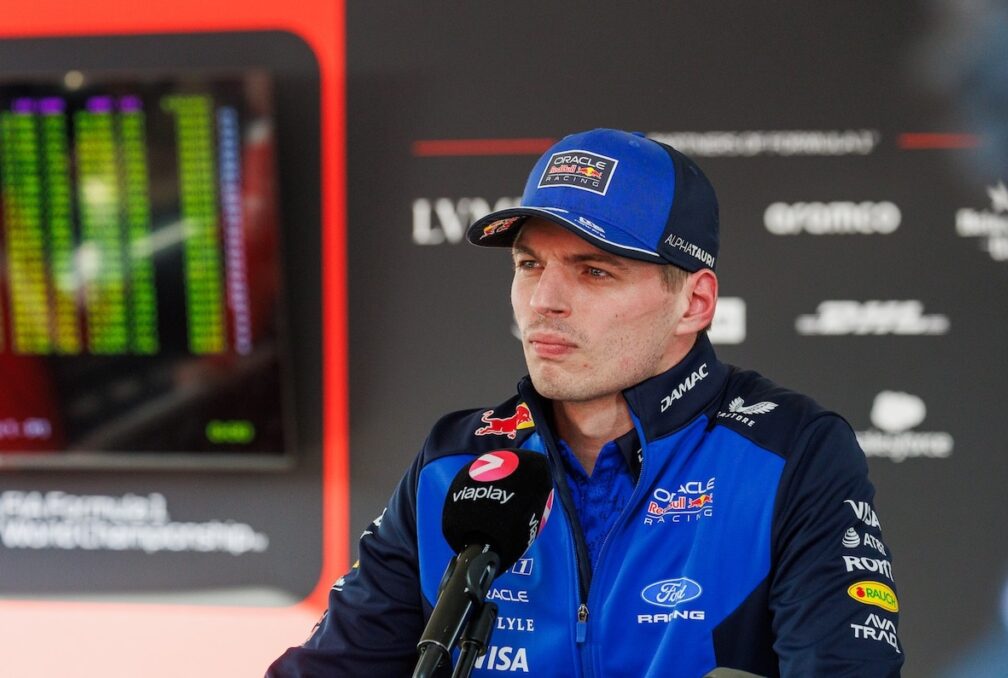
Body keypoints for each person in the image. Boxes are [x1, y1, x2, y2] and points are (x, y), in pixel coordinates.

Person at [268, 129, 904, 676]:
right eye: (528, 264)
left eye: (594, 270)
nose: (544, 300)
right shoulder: (455, 461)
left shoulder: (790, 451)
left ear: (695, 303)